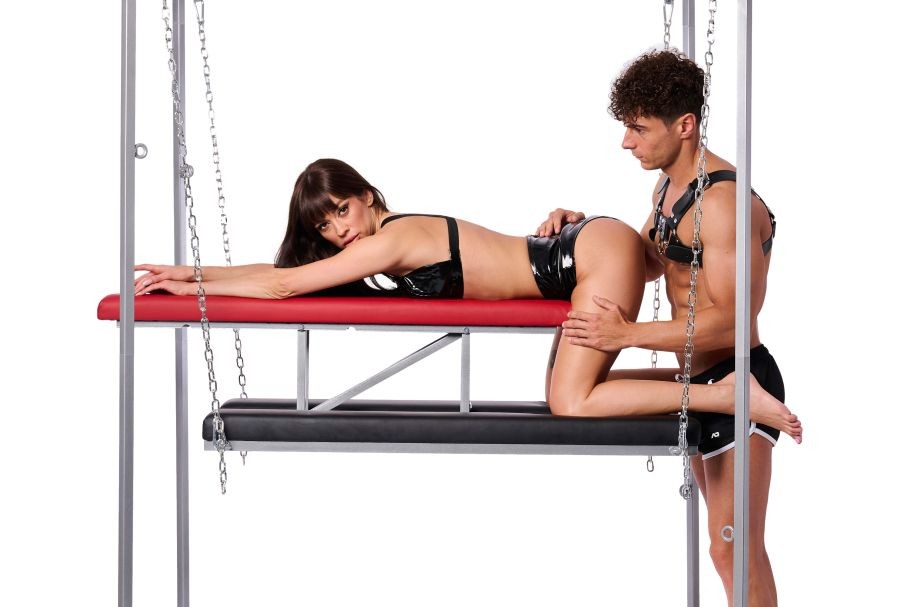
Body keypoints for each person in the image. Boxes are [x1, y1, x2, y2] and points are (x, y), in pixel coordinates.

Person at [136, 158, 801, 441]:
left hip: (591, 256)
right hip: (584, 252)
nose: (338, 230)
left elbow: (283, 285)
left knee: (571, 401)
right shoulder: (374, 240)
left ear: (366, 196)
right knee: (573, 395)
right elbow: (283, 271)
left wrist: (192, 278)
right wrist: (189, 276)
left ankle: (724, 393)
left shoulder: (391, 239)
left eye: (342, 210)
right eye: (325, 225)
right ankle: (711, 388)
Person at [537, 49, 795, 607]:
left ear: (684, 125)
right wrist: (583, 228)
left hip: (738, 374)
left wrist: (625, 335)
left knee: (739, 549)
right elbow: (666, 262)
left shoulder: (726, 203)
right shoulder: (669, 186)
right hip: (697, 375)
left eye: (639, 128)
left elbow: (734, 321)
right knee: (722, 548)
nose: (627, 141)